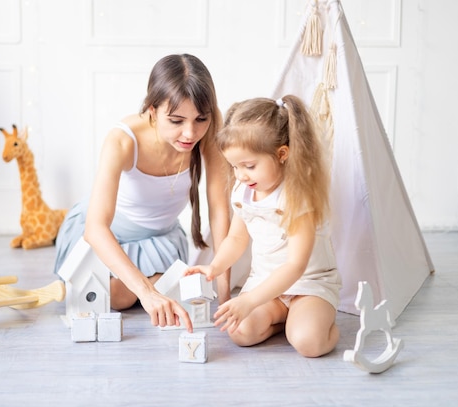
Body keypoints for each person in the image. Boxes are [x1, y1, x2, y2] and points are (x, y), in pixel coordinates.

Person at [54, 54, 231, 332]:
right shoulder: (122, 140)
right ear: (152, 109)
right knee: (120, 296)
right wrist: (146, 294)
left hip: (159, 240)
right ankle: (139, 286)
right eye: (176, 121)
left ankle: (146, 283)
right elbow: (96, 228)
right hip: (110, 237)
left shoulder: (206, 133)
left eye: (200, 119)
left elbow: (219, 209)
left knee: (170, 289)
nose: (190, 132)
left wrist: (225, 294)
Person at [185, 95, 341, 357]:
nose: (241, 175)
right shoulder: (243, 191)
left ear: (282, 154)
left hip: (308, 284)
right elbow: (235, 239)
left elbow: (296, 266)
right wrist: (214, 267)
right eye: (234, 166)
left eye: (249, 166)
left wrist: (248, 300)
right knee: (239, 330)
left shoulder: (297, 196)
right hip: (266, 285)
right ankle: (282, 319)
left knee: (308, 343)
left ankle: (314, 321)